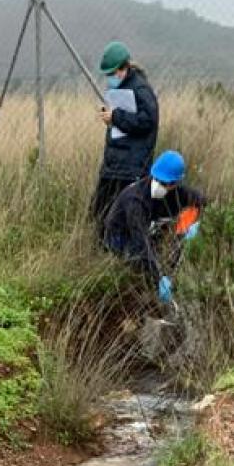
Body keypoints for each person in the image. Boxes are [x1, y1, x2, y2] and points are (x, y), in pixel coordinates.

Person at [103, 150, 204, 302]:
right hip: (120, 238)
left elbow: (203, 202)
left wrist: (193, 224)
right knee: (141, 267)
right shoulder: (135, 201)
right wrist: (159, 278)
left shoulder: (177, 192)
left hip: (150, 231)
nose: (159, 185)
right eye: (157, 179)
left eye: (166, 183)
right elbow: (140, 243)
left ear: (176, 183)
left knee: (170, 254)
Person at [91, 41, 159, 238]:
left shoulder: (141, 90)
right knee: (99, 212)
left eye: (113, 73)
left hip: (131, 168)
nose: (110, 78)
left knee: (123, 216)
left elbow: (148, 121)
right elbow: (125, 122)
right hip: (114, 165)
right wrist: (110, 119)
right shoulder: (120, 89)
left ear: (124, 68)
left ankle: (123, 254)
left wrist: (116, 117)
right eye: (108, 75)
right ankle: (104, 253)